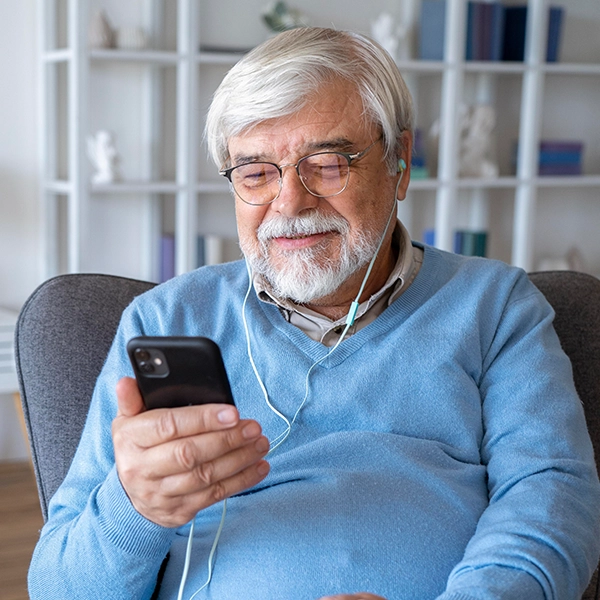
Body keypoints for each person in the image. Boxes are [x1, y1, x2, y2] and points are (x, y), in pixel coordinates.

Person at [29, 27, 600, 600]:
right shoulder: (164, 320)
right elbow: (59, 587)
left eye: (327, 163)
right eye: (255, 173)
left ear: (399, 164)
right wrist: (136, 509)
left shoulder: (495, 305)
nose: (290, 202)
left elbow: (550, 498)